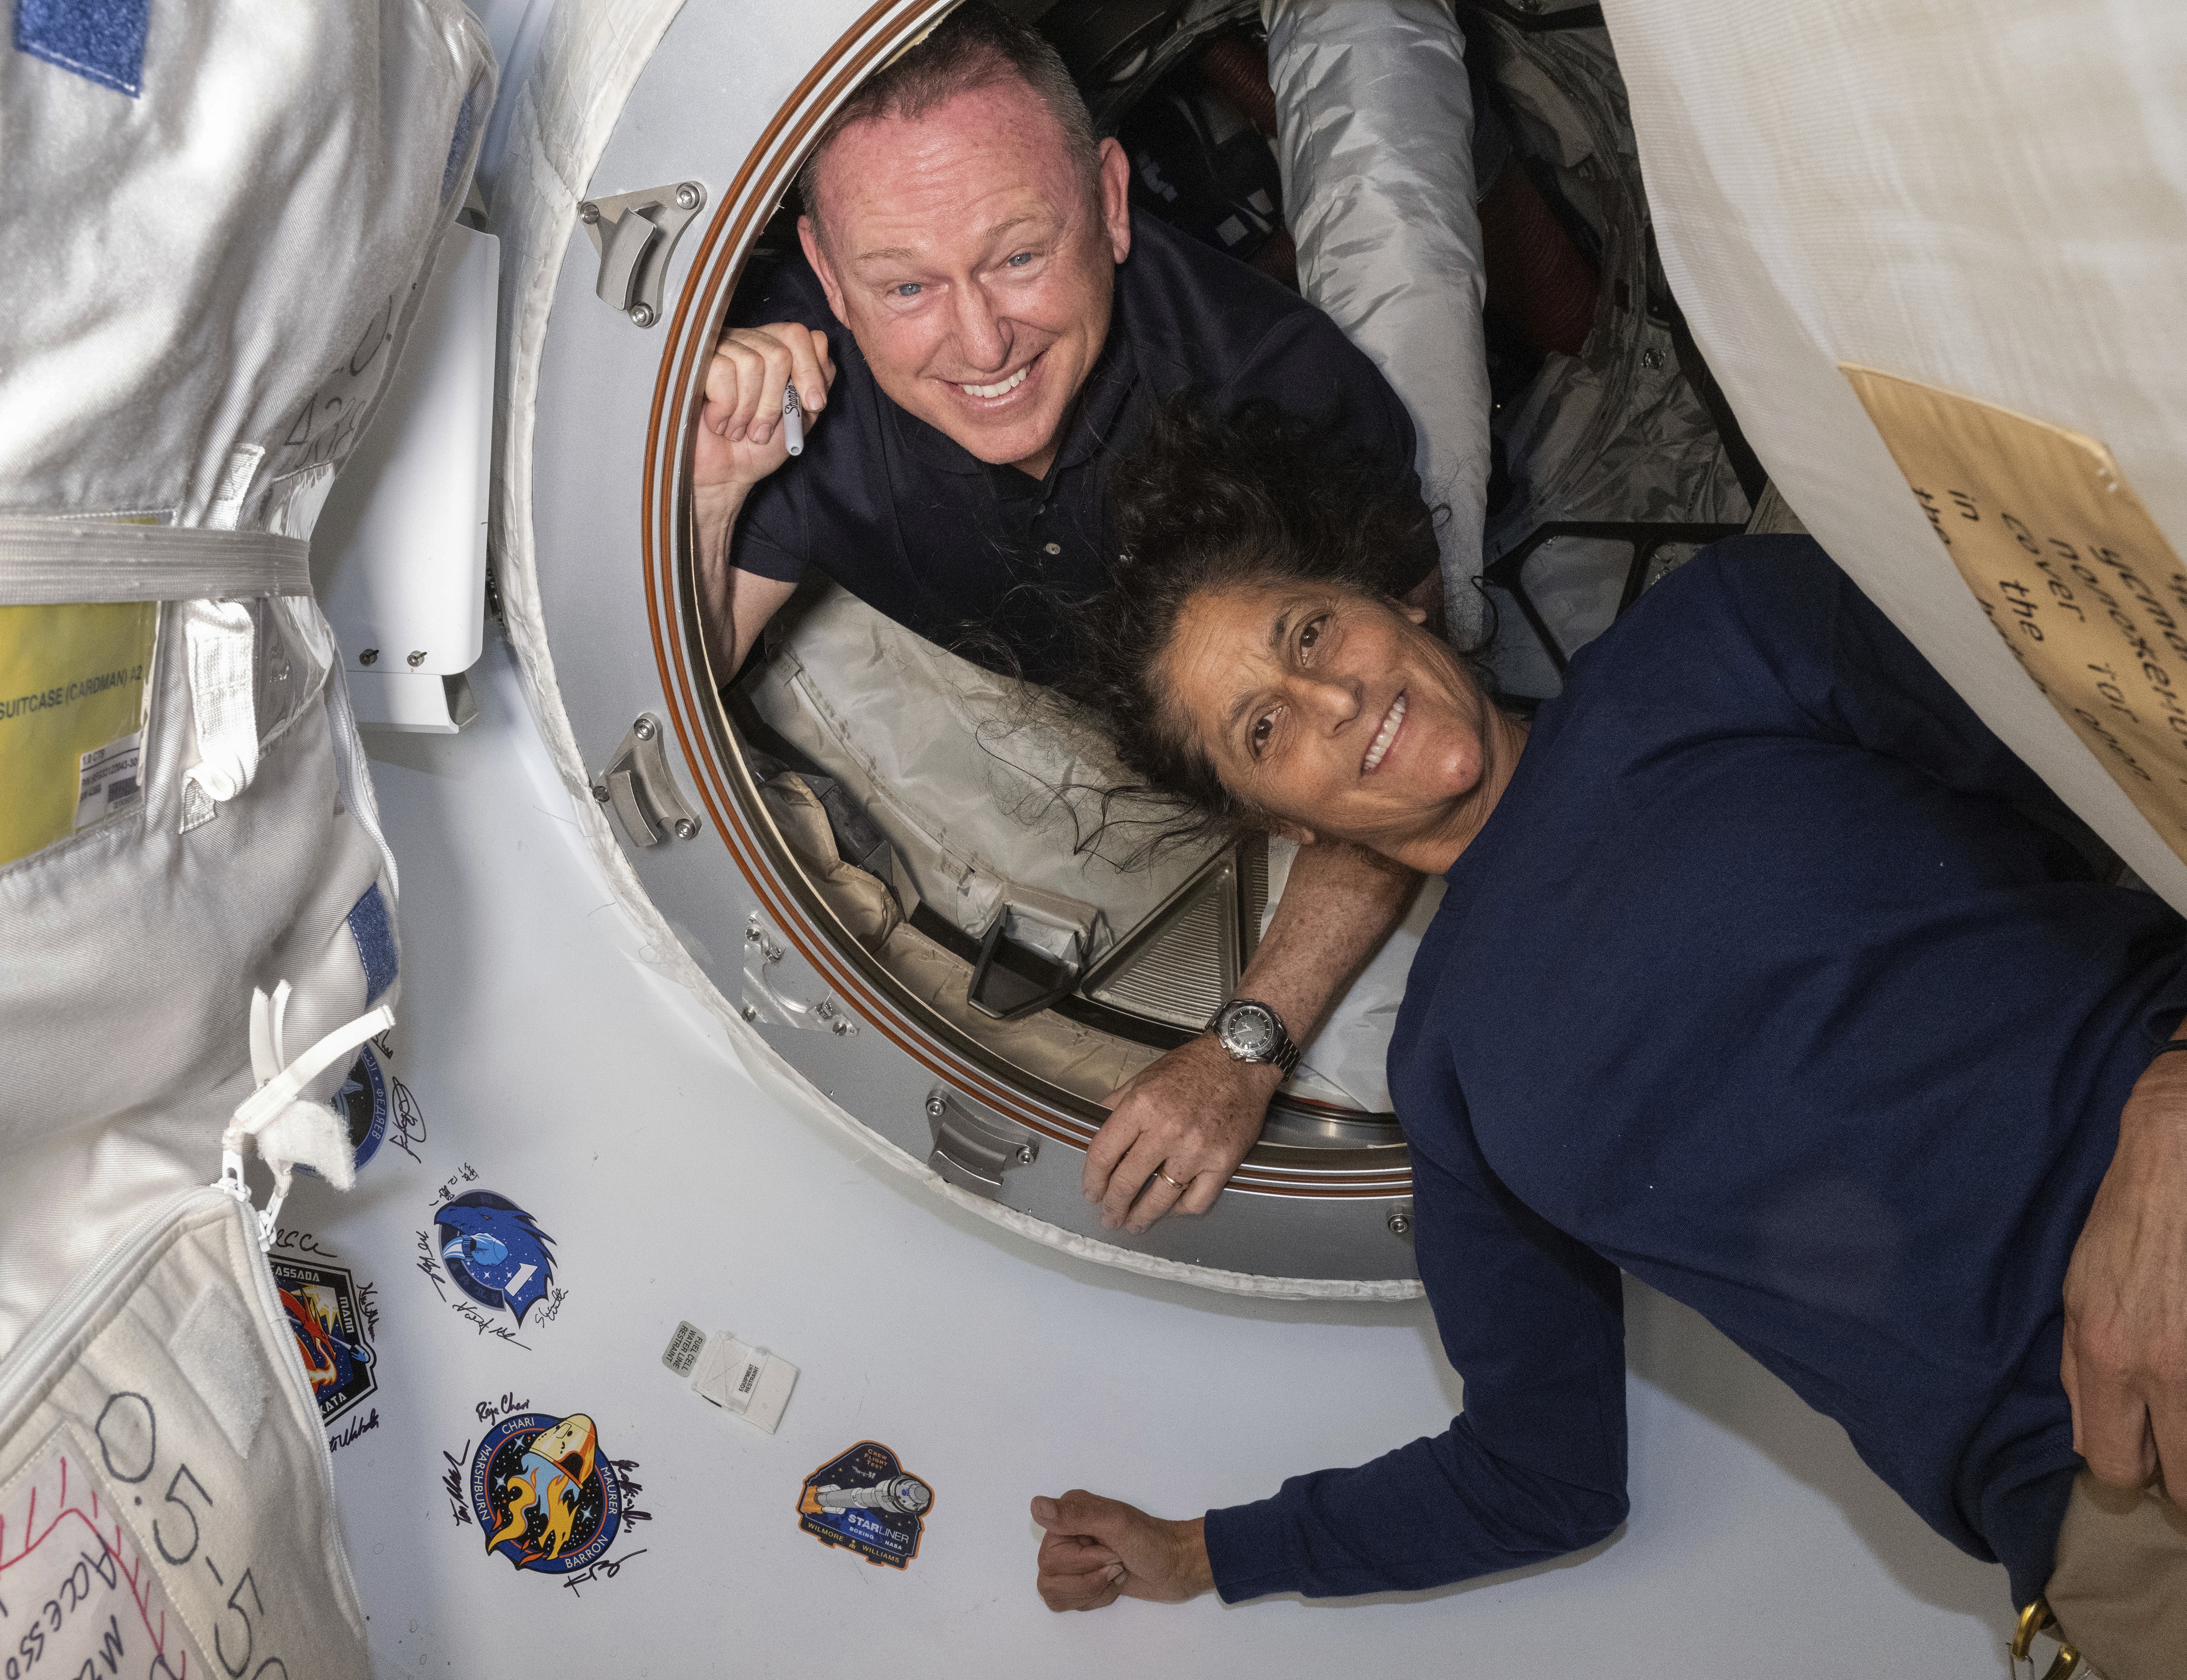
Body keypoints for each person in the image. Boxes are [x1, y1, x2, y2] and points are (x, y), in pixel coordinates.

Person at [1028, 400, 2187, 1677]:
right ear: (1282, 825)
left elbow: (2151, 765)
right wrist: (1203, 1554)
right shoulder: (1451, 1077)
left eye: (1310, 631)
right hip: (2104, 1512)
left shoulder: (1721, 637)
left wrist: (2178, 1097)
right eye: (1265, 728)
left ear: (1395, 601)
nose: (1333, 696)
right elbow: (1541, 1476)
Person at [687, 4, 1445, 1228]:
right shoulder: (802, 388)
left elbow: (1410, 744)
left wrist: (1242, 1049)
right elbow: (687, 668)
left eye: (1020, 257)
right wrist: (716, 486)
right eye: (906, 284)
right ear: (828, 275)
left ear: (1110, 198)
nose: (979, 339)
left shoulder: (1280, 394)